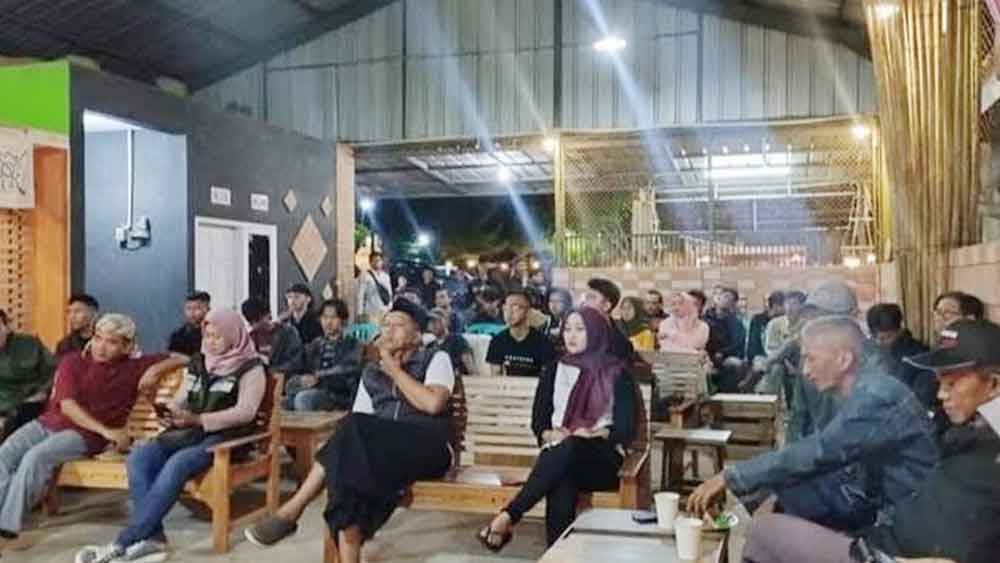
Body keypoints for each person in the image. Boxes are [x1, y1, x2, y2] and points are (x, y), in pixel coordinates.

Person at [741, 319, 1000, 563]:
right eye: (940, 382)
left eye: (952, 383)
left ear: (993, 384)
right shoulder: (965, 430)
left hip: (890, 548)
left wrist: (737, 477)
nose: (941, 394)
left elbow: (822, 450)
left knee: (762, 532)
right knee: (785, 502)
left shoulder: (878, 395)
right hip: (887, 533)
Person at [244, 300, 455, 563]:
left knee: (349, 440)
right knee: (346, 472)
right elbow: (358, 423)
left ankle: (292, 509)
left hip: (429, 447)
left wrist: (393, 370)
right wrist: (384, 368)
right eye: (385, 325)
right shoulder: (372, 372)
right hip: (385, 453)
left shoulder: (436, 358)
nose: (389, 331)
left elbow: (433, 404)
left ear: (417, 334)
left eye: (398, 325)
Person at [687, 316, 938, 532]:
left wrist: (731, 476)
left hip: (902, 521)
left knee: (769, 528)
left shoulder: (875, 397)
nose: (805, 371)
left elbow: (821, 450)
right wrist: (765, 490)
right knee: (775, 497)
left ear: (843, 359)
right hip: (875, 498)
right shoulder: (864, 387)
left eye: (811, 359)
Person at [75, 310, 266, 563]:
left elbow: (245, 412)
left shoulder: (251, 368)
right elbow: (182, 397)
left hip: (226, 438)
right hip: (188, 431)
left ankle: (124, 541)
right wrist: (172, 412)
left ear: (233, 335)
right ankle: (153, 539)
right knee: (139, 459)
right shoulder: (200, 361)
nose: (210, 342)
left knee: (178, 463)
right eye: (207, 335)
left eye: (217, 336)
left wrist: (199, 420)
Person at [0, 314, 185, 546]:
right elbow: (67, 406)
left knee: (35, 457)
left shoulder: (135, 366)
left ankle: (7, 528)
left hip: (85, 435)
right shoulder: (72, 362)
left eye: (112, 342)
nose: (101, 347)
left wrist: (155, 369)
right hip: (49, 423)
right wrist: (108, 432)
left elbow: (184, 357)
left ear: (127, 346)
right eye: (98, 338)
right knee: (4, 454)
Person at [478, 307, 639, 548]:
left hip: (602, 460)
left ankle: (510, 515)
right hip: (560, 455)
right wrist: (550, 433)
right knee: (562, 476)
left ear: (596, 332)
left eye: (580, 329)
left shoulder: (617, 373)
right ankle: (557, 553)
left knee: (570, 450)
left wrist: (594, 433)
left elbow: (626, 427)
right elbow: (539, 421)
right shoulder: (554, 369)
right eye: (567, 329)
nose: (571, 336)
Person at [285, 299, 363, 412]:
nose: (328, 322)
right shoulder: (315, 344)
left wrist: (319, 376)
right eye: (325, 317)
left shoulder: (352, 343)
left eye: (333, 317)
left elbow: (349, 368)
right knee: (285, 402)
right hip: (316, 389)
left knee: (303, 399)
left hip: (338, 394)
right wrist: (301, 380)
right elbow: (299, 366)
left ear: (343, 320)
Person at [0, 310, 57, 441]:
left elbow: (55, 371)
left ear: (7, 327)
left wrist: (43, 392)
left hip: (31, 403)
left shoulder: (30, 344)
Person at [867, 303, 936, 408]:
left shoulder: (918, 357)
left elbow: (920, 399)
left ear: (900, 330)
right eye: (874, 337)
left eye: (886, 337)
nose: (879, 342)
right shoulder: (868, 349)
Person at [486, 291, 556, 377]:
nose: (510, 312)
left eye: (516, 307)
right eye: (506, 307)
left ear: (528, 311)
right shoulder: (497, 341)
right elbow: (496, 377)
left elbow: (547, 377)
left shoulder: (543, 343)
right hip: (507, 385)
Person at [242, 298, 303, 376]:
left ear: (268, 315)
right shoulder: (251, 338)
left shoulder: (288, 333)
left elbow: (296, 362)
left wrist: (273, 371)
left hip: (283, 378)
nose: (255, 326)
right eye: (251, 323)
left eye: (257, 320)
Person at [705, 287, 747, 392]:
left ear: (734, 304)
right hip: (707, 356)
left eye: (731, 300)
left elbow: (737, 343)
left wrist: (723, 353)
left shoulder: (736, 322)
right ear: (719, 298)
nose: (726, 301)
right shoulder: (705, 318)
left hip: (726, 357)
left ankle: (730, 395)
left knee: (736, 364)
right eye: (725, 297)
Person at [582, 278, 635, 362]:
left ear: (606, 306)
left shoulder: (620, 345)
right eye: (586, 297)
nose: (584, 303)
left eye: (591, 298)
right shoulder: (581, 332)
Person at [428, 309, 477, 376]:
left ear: (446, 322)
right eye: (431, 322)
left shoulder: (458, 340)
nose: (433, 325)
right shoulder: (430, 345)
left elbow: (470, 369)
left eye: (437, 321)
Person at [55, 294, 99, 361]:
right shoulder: (65, 344)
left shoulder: (105, 341)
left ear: (94, 313)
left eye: (77, 311)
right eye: (69, 312)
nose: (72, 316)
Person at [167, 291, 210, 356]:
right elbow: (173, 356)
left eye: (197, 308)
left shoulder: (214, 333)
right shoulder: (178, 335)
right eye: (188, 308)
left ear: (207, 309)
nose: (192, 312)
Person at [748, 291, 784, 366]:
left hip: (779, 357)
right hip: (760, 356)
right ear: (775, 305)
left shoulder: (784, 320)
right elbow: (754, 344)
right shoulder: (757, 319)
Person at [356, 251, 392, 325]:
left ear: (382, 262)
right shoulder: (365, 275)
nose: (377, 262)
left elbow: (389, 293)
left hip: (384, 311)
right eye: (374, 260)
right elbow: (360, 295)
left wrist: (389, 307)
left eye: (379, 260)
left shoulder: (385, 276)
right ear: (370, 262)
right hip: (370, 311)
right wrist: (359, 313)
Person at [544, 288, 574, 352]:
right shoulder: (547, 322)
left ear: (567, 303)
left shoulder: (572, 322)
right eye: (551, 301)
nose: (554, 305)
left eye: (558, 301)